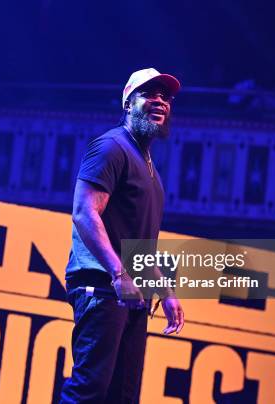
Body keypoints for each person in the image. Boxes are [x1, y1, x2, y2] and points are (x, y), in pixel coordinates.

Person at [60, 68, 185, 404]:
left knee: (122, 395)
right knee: (90, 389)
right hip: (103, 285)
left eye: (166, 97)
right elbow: (85, 213)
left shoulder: (149, 168)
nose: (160, 101)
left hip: (134, 293)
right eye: (150, 94)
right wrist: (118, 273)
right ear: (128, 102)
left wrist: (165, 290)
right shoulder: (111, 147)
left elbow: (139, 246)